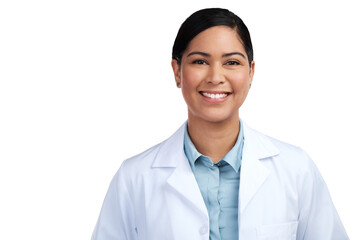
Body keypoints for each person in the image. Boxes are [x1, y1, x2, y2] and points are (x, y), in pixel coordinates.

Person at [91, 8, 348, 240]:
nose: (216, 77)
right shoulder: (134, 178)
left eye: (232, 62)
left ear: (251, 73)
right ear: (177, 71)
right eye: (200, 61)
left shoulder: (296, 169)